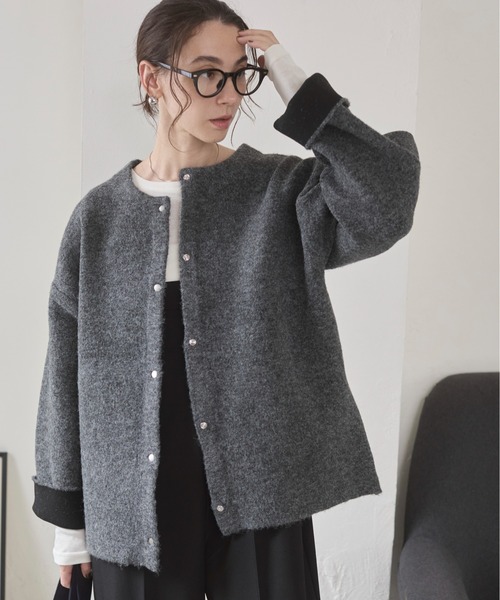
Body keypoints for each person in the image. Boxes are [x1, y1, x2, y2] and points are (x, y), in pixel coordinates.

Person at [32, 0, 421, 598]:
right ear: (150, 78)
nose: (230, 96)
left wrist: (298, 88)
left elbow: (387, 201)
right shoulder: (98, 219)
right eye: (207, 74)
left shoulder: (282, 192)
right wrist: (69, 525)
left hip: (261, 496)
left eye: (242, 75)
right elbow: (64, 373)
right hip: (131, 508)